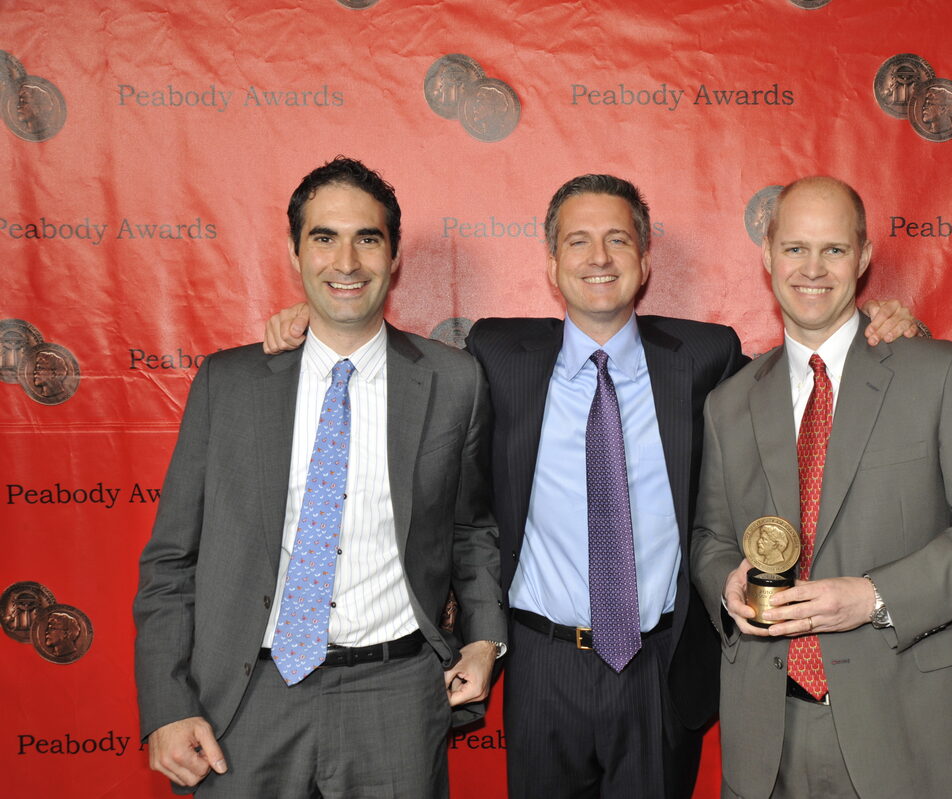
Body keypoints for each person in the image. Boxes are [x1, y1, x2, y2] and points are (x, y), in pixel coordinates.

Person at [263, 173, 917, 798]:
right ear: (551, 264)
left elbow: (804, 384)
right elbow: (398, 363)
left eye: (618, 239)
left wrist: (878, 328)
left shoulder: (705, 357)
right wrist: (317, 320)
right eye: (578, 241)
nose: (598, 257)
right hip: (542, 666)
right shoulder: (495, 354)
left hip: (660, 665)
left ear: (644, 258)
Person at [133, 156, 505, 797]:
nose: (347, 261)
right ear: (293, 250)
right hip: (248, 698)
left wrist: (484, 640)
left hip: (395, 696)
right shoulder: (230, 384)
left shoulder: (454, 382)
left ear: (393, 257)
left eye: (368, 237)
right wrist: (167, 704)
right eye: (324, 237)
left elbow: (470, 530)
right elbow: (172, 561)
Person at [691, 176, 952, 798]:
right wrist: (727, 584)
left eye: (834, 250)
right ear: (766, 256)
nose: (812, 269)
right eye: (795, 248)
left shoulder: (939, 373)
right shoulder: (728, 403)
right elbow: (712, 537)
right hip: (769, 732)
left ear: (864, 257)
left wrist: (874, 597)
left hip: (912, 725)